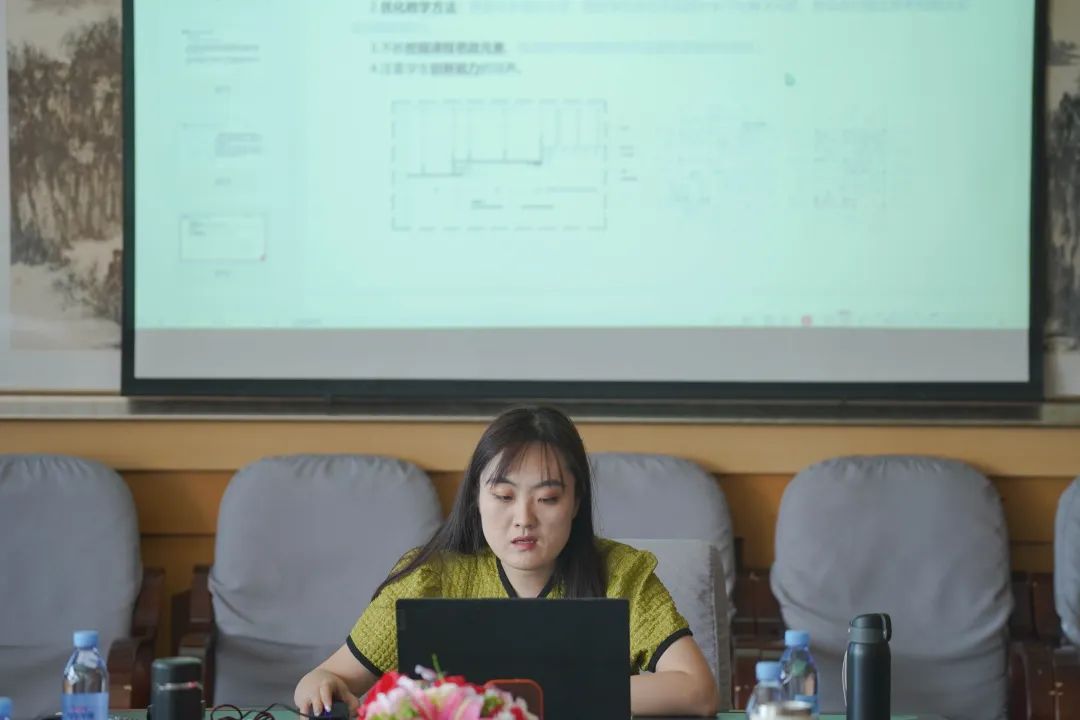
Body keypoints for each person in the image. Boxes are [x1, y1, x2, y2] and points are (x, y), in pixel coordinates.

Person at [294, 405, 720, 717]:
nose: (523, 519)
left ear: (576, 503)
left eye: (547, 498)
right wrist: (321, 688)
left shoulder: (621, 574)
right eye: (503, 496)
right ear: (476, 500)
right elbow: (325, 679)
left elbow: (697, 690)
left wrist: (530, 697)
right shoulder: (432, 578)